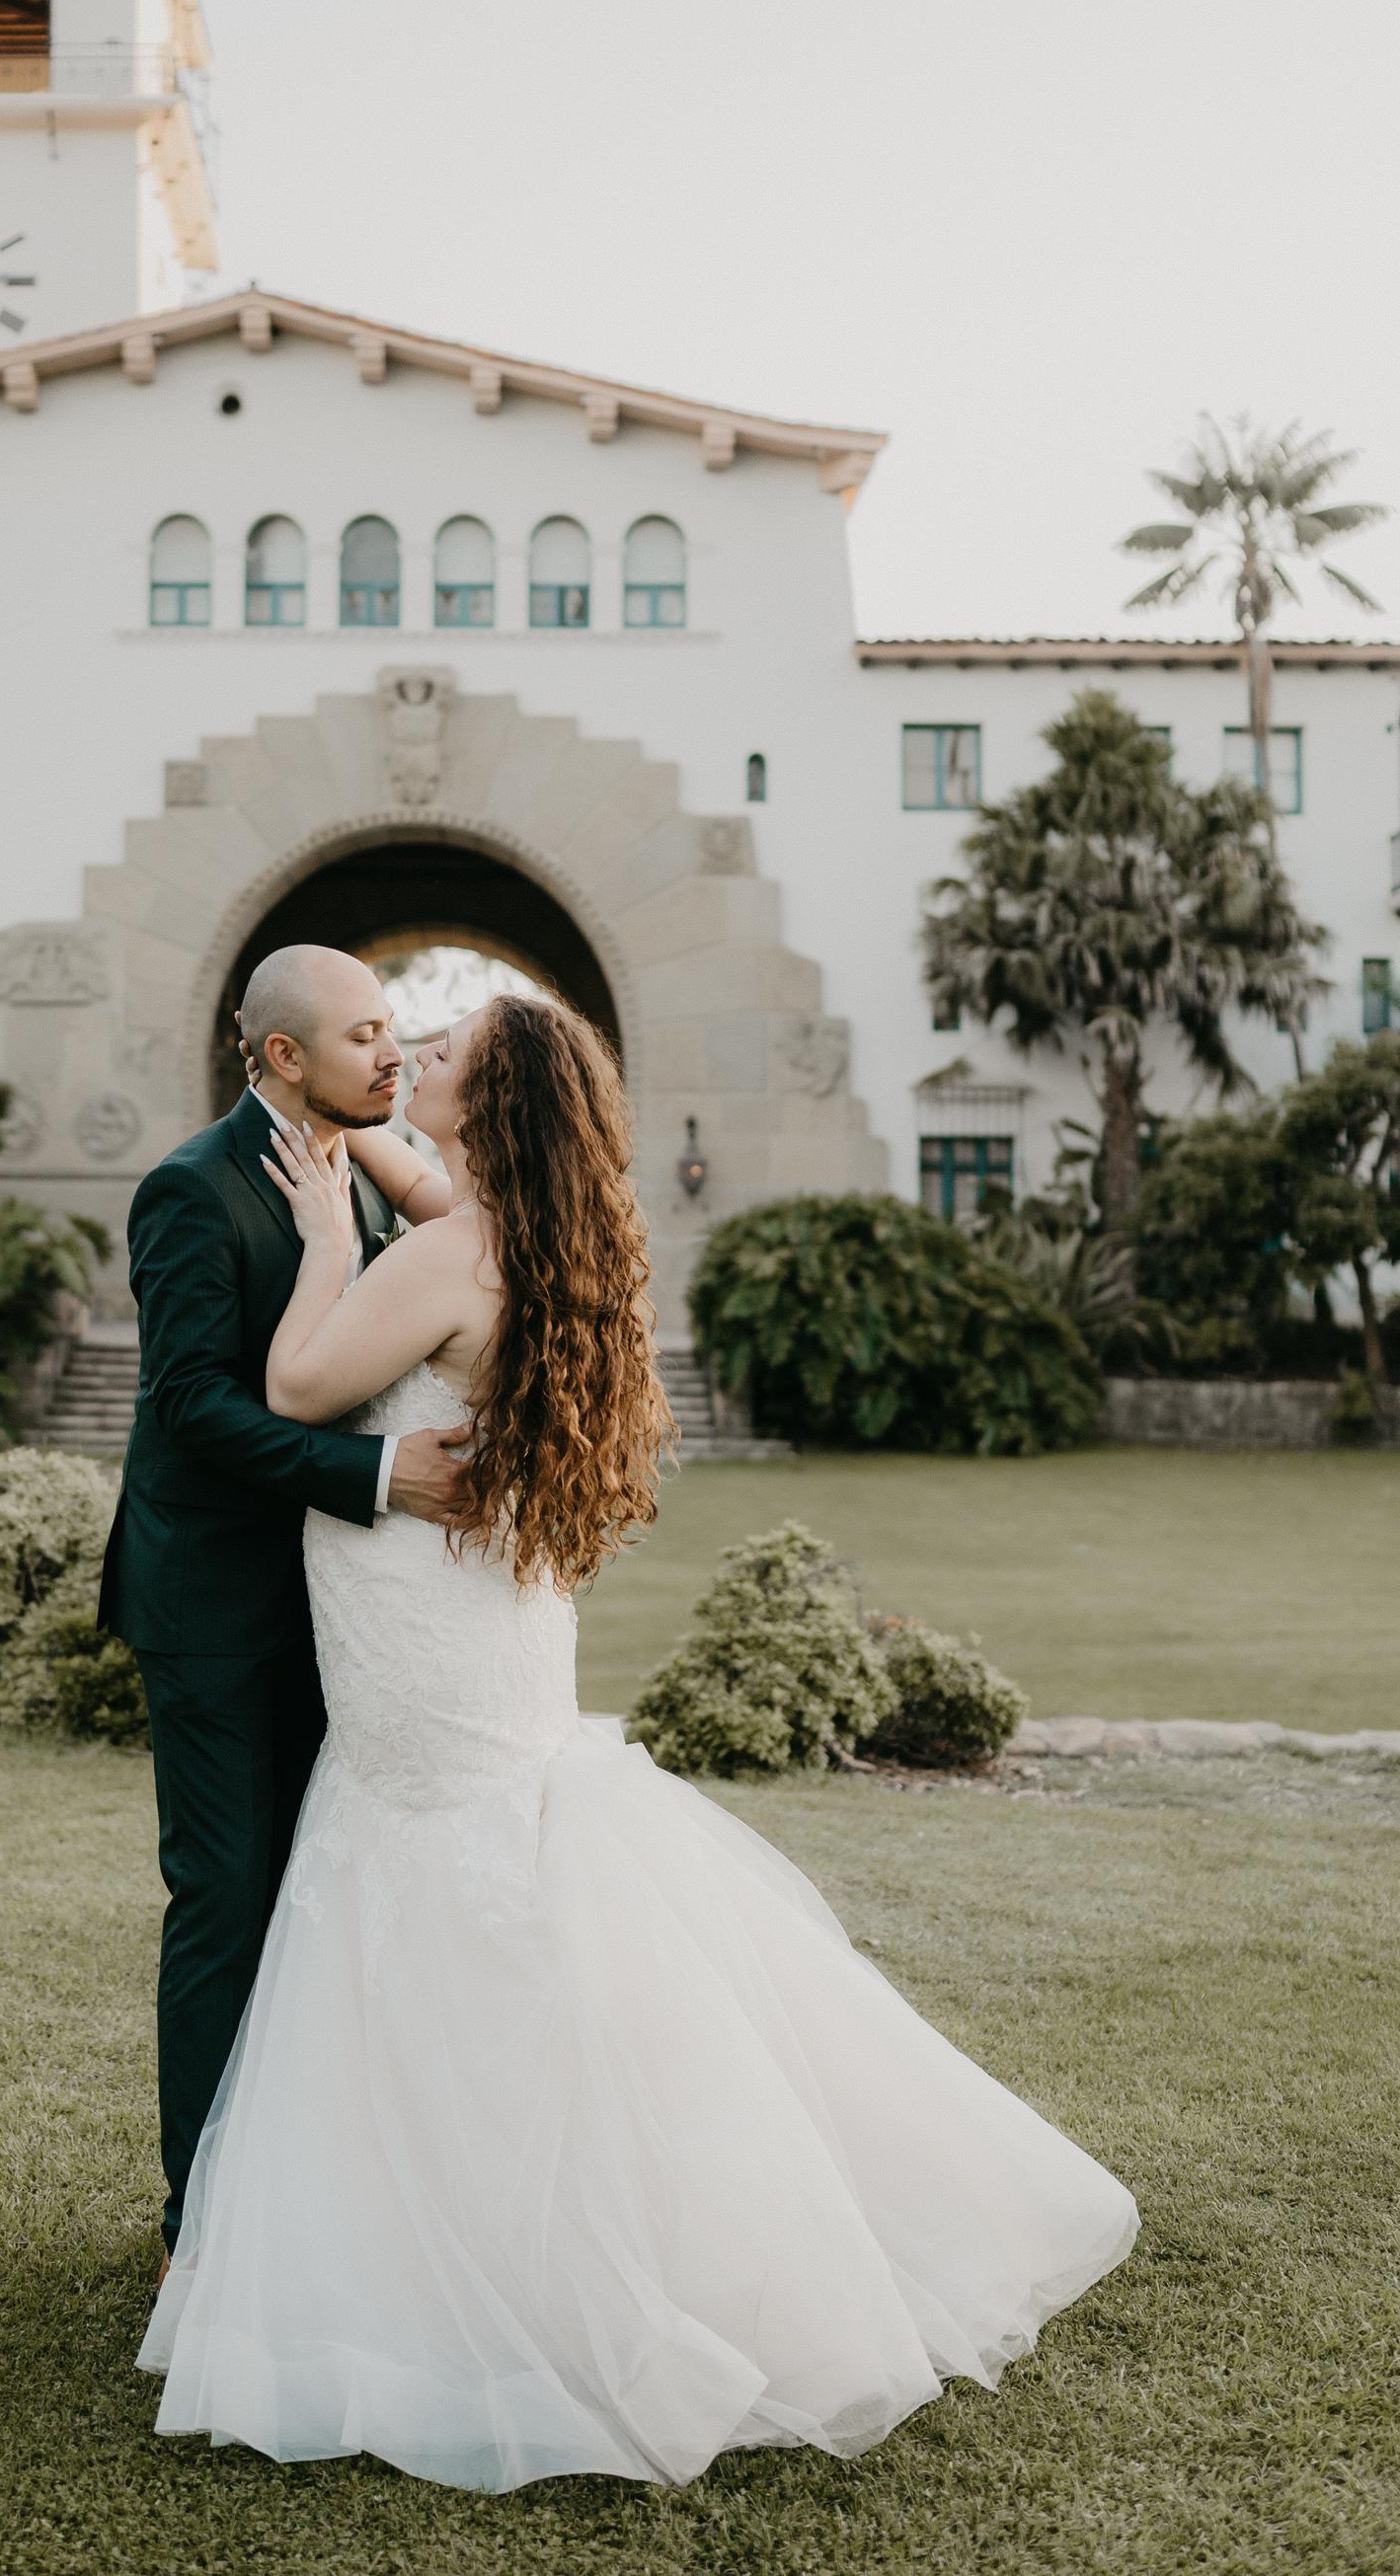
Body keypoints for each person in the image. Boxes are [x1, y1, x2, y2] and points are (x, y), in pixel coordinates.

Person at [138, 989, 1138, 2493]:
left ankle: (468, 2257)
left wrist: (337, 1242)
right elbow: (434, 1180)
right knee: (507, 1873)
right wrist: (392, 1175)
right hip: (494, 1630)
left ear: (488, 1106)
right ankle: (501, 2220)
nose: (416, 1058)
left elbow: (292, 1389)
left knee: (430, 1884)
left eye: (447, 1058)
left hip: (423, 1629)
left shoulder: (436, 1259)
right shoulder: (552, 1238)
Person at [99, 945, 473, 2274]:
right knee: (225, 1898)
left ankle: (308, 2187)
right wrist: (375, 1472)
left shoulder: (359, 1169)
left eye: (395, 1029)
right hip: (212, 1603)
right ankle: (200, 2223)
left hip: (343, 1610)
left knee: (321, 1893)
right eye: (365, 1033)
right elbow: (192, 1408)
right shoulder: (193, 1190)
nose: (392, 1053)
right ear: (280, 1057)